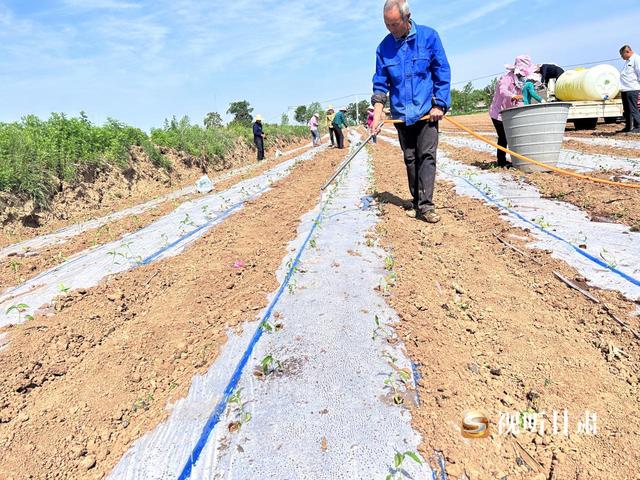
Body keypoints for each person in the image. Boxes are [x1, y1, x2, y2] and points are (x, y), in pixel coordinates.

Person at [370, 0, 451, 224]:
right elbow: (380, 84)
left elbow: (441, 71)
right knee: (410, 158)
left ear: (407, 17)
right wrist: (377, 114)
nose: (391, 30)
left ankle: (426, 206)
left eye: (395, 24)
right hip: (401, 113)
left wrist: (440, 104)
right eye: (387, 25)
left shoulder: (429, 37)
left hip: (427, 111)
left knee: (426, 156)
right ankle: (416, 201)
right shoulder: (383, 48)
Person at [488, 55, 537, 167]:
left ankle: (520, 160)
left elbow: (521, 98)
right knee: (503, 137)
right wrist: (514, 96)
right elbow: (503, 91)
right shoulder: (506, 78)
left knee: (515, 136)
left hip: (510, 113)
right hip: (498, 113)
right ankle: (501, 162)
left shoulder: (521, 81)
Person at [619, 45, 640, 134]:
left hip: (632, 88)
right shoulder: (628, 61)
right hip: (625, 89)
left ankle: (638, 126)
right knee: (627, 110)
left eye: (622, 54)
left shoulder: (636, 59)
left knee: (633, 109)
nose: (621, 57)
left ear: (627, 52)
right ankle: (628, 127)